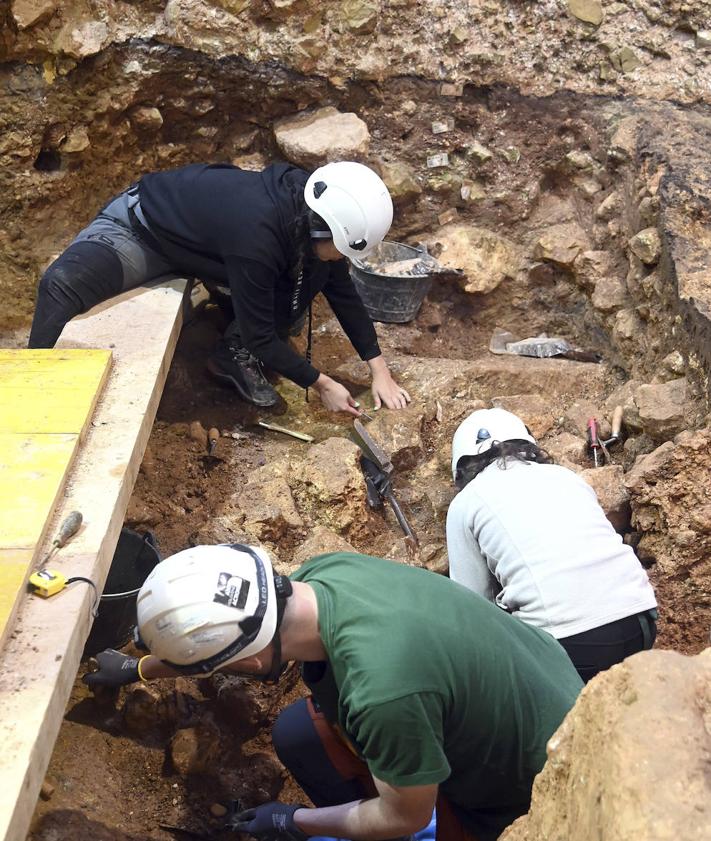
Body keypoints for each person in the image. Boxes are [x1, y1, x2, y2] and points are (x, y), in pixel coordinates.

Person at [84, 544, 582, 841]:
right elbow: (232, 636)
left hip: (531, 788)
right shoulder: (322, 576)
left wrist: (294, 821)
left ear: (251, 664)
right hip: (538, 688)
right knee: (300, 733)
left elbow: (405, 816)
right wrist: (140, 669)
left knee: (400, 811)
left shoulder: (382, 694)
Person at [28, 160, 411, 415]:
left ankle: (231, 355)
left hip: (210, 248)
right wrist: (322, 383)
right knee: (63, 285)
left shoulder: (306, 208)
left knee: (312, 274)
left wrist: (379, 369)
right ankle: (30, 388)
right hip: (143, 232)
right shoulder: (258, 238)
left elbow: (341, 289)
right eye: (339, 248)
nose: (339, 257)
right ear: (320, 228)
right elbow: (263, 337)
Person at [446, 407, 658, 683]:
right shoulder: (566, 477)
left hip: (571, 642)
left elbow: (472, 606)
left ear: (461, 467)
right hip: (640, 618)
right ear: (527, 445)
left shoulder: (466, 503)